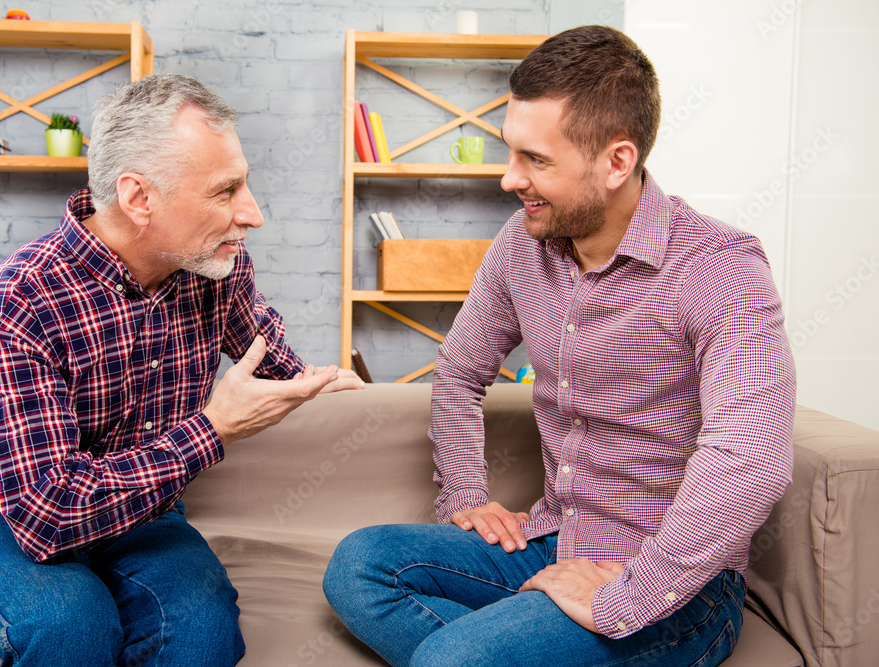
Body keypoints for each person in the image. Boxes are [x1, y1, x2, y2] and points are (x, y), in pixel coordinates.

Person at [323, 25, 795, 667]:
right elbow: (458, 373)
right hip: (555, 538)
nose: (508, 180)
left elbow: (751, 456)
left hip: (680, 586)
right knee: (359, 567)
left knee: (453, 660)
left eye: (536, 161)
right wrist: (463, 495)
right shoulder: (521, 247)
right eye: (511, 152)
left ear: (616, 162)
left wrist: (625, 598)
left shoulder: (720, 267)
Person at [0, 74, 363, 667]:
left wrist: (326, 385)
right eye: (226, 191)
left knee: (201, 635)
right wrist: (211, 431)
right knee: (71, 628)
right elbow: (46, 515)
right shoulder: (19, 299)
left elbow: (271, 365)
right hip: (9, 515)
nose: (253, 213)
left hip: (147, 510)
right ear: (139, 198)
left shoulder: (216, 267)